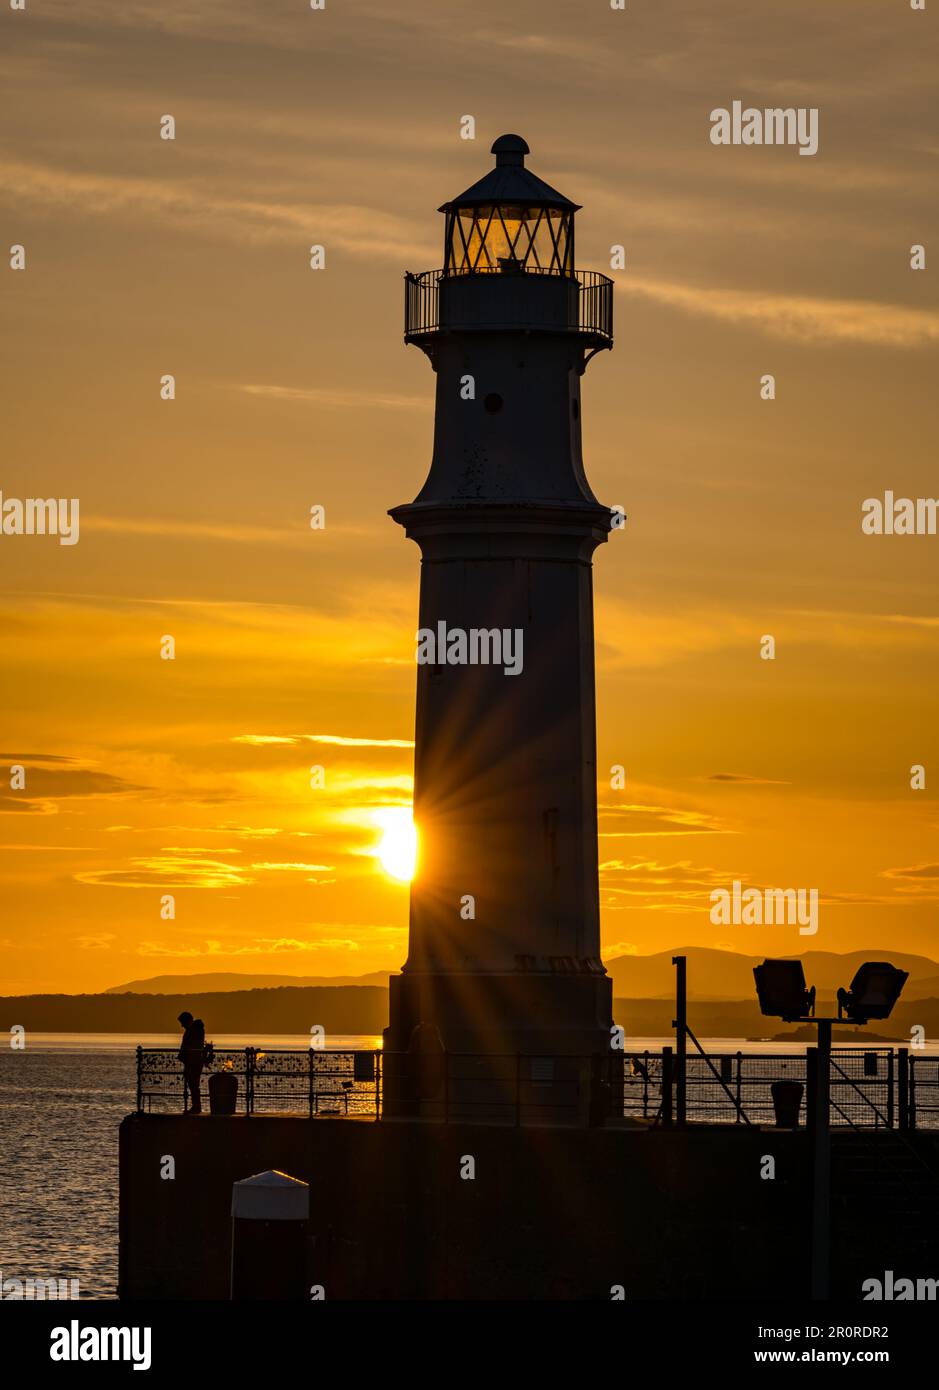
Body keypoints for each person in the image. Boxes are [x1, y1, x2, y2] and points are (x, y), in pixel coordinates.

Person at [177, 1010, 206, 1113]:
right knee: (193, 1084)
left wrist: (184, 1054)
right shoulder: (194, 1029)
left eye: (182, 1023)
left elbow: (191, 1044)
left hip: (193, 1061)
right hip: (192, 1060)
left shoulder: (194, 1030)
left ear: (186, 1021)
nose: (181, 1026)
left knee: (193, 1084)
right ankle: (196, 1106)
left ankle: (196, 1107)